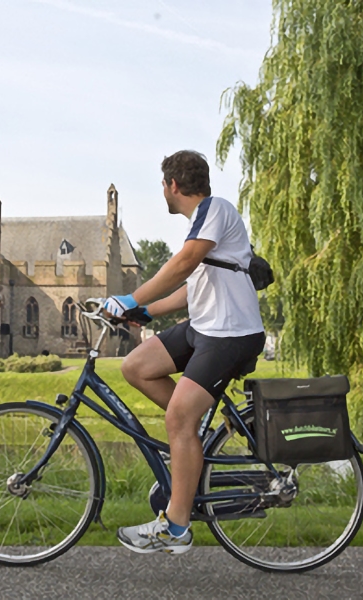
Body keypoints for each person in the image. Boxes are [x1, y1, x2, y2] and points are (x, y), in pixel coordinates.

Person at [103, 150, 265, 555]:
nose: (162, 190)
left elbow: (183, 264)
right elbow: (189, 291)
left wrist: (129, 297)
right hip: (205, 328)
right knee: (137, 366)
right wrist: (139, 311)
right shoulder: (201, 223)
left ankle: (175, 529)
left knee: (177, 416)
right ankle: (192, 436)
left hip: (231, 333)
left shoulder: (216, 210)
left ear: (172, 185)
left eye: (162, 184)